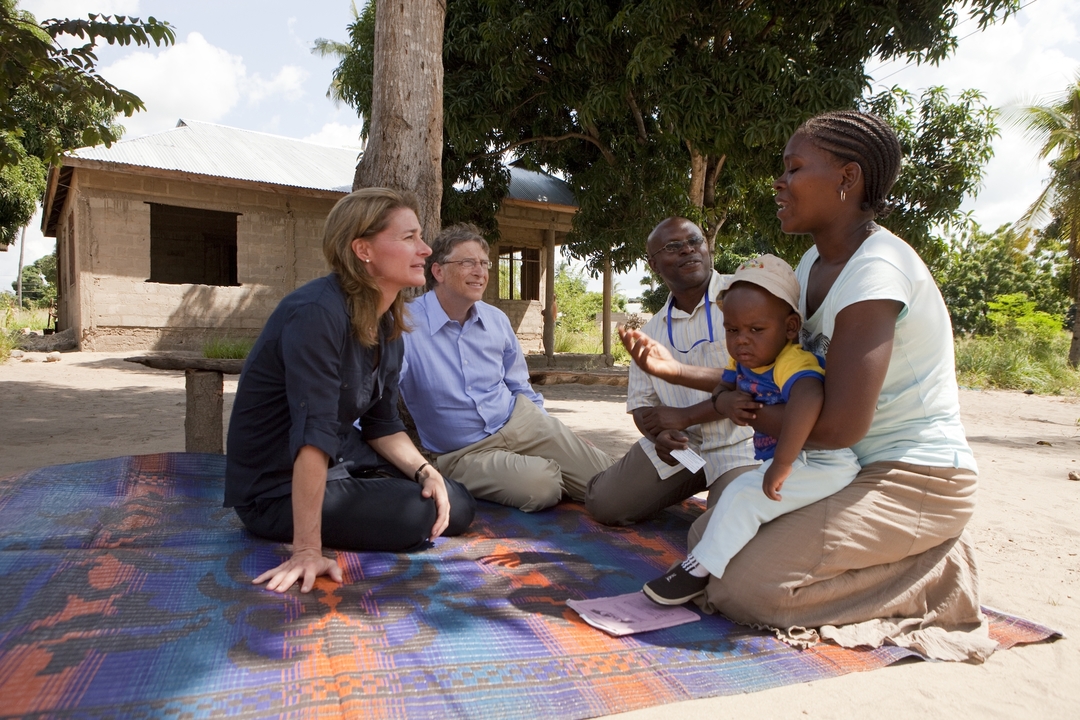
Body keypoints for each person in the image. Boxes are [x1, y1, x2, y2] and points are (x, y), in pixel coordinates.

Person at [620, 110, 993, 661]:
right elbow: (773, 373)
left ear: (847, 179)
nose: (780, 182)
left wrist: (734, 408)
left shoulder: (876, 273)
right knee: (710, 542)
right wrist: (683, 376)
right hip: (840, 468)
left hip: (915, 476)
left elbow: (838, 426)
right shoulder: (816, 260)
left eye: (793, 168)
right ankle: (876, 555)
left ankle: (934, 573)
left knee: (745, 589)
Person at [225, 188, 476, 594]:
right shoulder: (316, 314)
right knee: (418, 515)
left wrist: (425, 470)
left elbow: (381, 424)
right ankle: (303, 530)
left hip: (342, 460)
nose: (426, 249)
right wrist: (308, 549)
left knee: (456, 503)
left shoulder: (388, 321)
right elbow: (313, 432)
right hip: (277, 487)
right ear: (363, 249)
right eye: (409, 237)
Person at [642, 254, 859, 605]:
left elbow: (808, 400)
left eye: (756, 330)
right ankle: (702, 563)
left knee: (744, 496)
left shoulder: (793, 361)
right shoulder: (746, 358)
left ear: (790, 328)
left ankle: (696, 572)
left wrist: (783, 464)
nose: (742, 340)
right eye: (732, 330)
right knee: (737, 496)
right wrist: (713, 394)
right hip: (795, 460)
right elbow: (725, 385)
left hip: (821, 462)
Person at [398, 223, 613, 512]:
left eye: (484, 263)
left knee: (611, 481)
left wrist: (551, 429)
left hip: (521, 422)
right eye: (468, 263)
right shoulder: (405, 325)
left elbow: (519, 385)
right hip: (464, 452)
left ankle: (564, 471)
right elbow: (376, 398)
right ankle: (549, 473)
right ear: (438, 271)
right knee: (542, 487)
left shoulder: (496, 320)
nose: (480, 272)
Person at [585, 217, 756, 526]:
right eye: (673, 247)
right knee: (605, 503)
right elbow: (642, 405)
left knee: (724, 531)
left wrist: (685, 416)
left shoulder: (745, 296)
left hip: (744, 443)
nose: (688, 250)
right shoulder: (651, 332)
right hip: (684, 446)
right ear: (653, 263)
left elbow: (760, 384)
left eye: (695, 242)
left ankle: (727, 494)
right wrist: (660, 435)